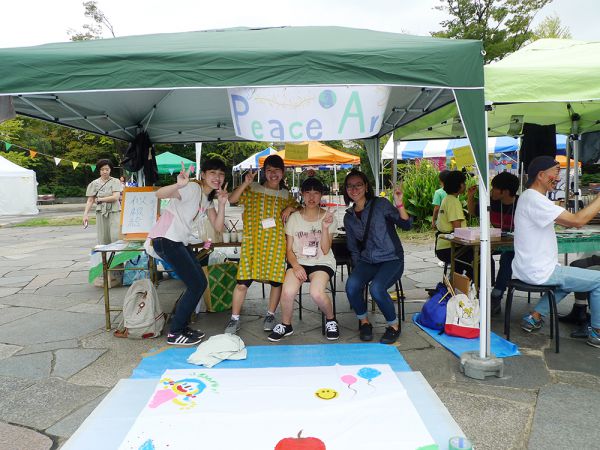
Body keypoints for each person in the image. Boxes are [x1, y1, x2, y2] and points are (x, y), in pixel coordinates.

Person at [513, 156, 600, 348]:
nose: (558, 177)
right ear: (541, 175)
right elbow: (577, 220)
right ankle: (597, 333)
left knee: (570, 280)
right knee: (598, 280)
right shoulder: (535, 199)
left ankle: (534, 318)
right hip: (539, 271)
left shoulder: (530, 197)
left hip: (531, 268)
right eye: (556, 172)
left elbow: (571, 220)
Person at [144, 159, 228, 346]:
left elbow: (218, 227)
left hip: (178, 241)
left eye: (221, 174)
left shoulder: (207, 199)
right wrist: (178, 184)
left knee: (199, 282)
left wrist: (222, 204)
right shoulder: (192, 188)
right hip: (166, 239)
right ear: (203, 174)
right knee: (196, 284)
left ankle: (181, 327)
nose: (217, 177)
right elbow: (158, 193)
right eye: (213, 173)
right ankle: (175, 332)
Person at [224, 154, 298, 334]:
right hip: (253, 244)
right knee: (242, 283)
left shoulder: (286, 195)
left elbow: (300, 206)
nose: (273, 174)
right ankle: (234, 319)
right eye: (269, 170)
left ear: (283, 172)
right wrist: (245, 182)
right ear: (264, 172)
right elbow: (232, 200)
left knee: (275, 282)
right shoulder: (252, 189)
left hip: (276, 245)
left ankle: (270, 315)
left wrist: (290, 207)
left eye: (277, 170)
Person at [343, 169, 412, 344]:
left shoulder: (380, 204)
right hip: (368, 260)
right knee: (351, 286)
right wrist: (358, 273)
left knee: (376, 289)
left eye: (358, 185)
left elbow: (406, 225)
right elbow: (353, 247)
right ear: (346, 190)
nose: (354, 189)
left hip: (392, 259)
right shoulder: (349, 217)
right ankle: (364, 322)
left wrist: (399, 204)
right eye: (350, 186)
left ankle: (393, 326)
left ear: (366, 187)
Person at [268, 177, 339, 341]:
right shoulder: (294, 218)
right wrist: (295, 266)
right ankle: (286, 325)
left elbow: (326, 249)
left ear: (321, 195)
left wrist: (325, 227)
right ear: (302, 194)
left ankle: (331, 319)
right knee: (287, 291)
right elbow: (289, 249)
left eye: (316, 193)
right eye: (308, 193)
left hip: (322, 262)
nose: (312, 197)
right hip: (299, 262)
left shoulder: (328, 218)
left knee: (317, 293)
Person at [467, 171, 519, 314]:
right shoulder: (492, 202)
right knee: (481, 255)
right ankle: (480, 291)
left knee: (507, 257)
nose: (491, 191)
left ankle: (496, 295)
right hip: (497, 242)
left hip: (517, 246)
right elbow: (473, 212)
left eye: (495, 188)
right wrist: (470, 197)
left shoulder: (522, 205)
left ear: (505, 191)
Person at [435, 170, 473, 278]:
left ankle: (457, 285)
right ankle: (476, 288)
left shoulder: (447, 199)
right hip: (450, 247)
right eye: (464, 183)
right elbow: (458, 229)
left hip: (443, 246)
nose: (465, 185)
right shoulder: (453, 202)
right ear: (460, 185)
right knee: (480, 260)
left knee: (465, 263)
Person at [83, 159, 123, 245]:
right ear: (99, 170)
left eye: (107, 169)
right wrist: (85, 214)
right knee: (103, 237)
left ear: (110, 170)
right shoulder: (94, 183)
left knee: (116, 236)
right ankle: (105, 258)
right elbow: (90, 200)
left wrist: (100, 199)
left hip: (114, 211)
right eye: (102, 169)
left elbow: (115, 197)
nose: (105, 172)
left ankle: (117, 257)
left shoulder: (115, 181)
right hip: (100, 211)